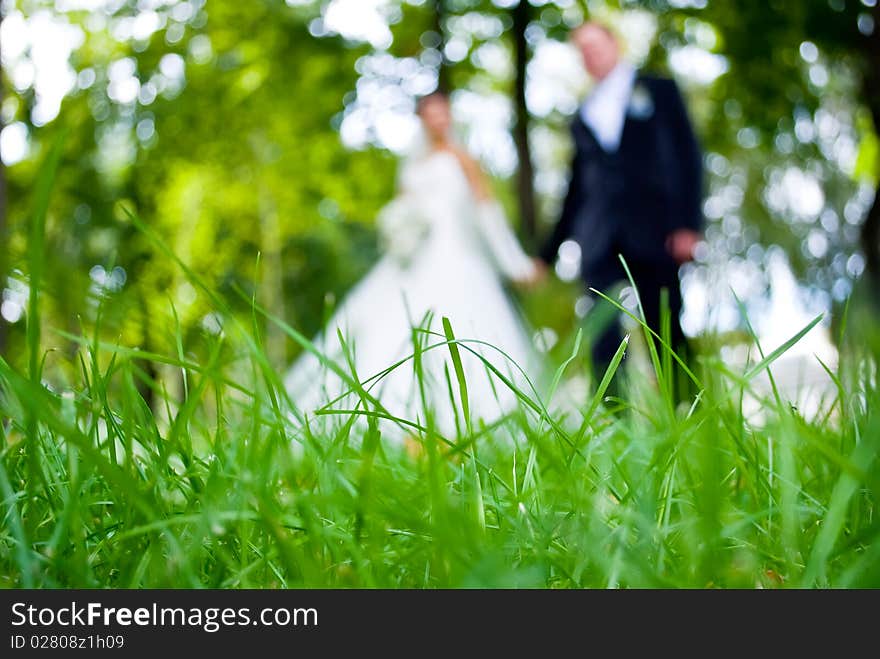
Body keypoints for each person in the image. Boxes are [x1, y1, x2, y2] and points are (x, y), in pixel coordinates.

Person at [285, 91, 543, 439]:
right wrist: (400, 232)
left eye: (443, 113)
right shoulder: (413, 166)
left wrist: (515, 264)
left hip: (458, 259)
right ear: (422, 120)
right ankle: (389, 419)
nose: (438, 120)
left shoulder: (463, 159)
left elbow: (487, 212)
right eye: (431, 114)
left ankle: (477, 418)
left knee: (464, 325)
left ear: (450, 117)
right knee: (390, 328)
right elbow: (402, 209)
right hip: (412, 260)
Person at [538, 20, 703, 394]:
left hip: (655, 229)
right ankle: (615, 421)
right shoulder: (582, 116)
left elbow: (687, 156)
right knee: (601, 328)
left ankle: (688, 412)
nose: (590, 55)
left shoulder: (658, 90)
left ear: (614, 44)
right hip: (597, 237)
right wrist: (546, 255)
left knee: (665, 325)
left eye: (595, 46)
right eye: (582, 51)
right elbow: (575, 190)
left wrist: (688, 224)